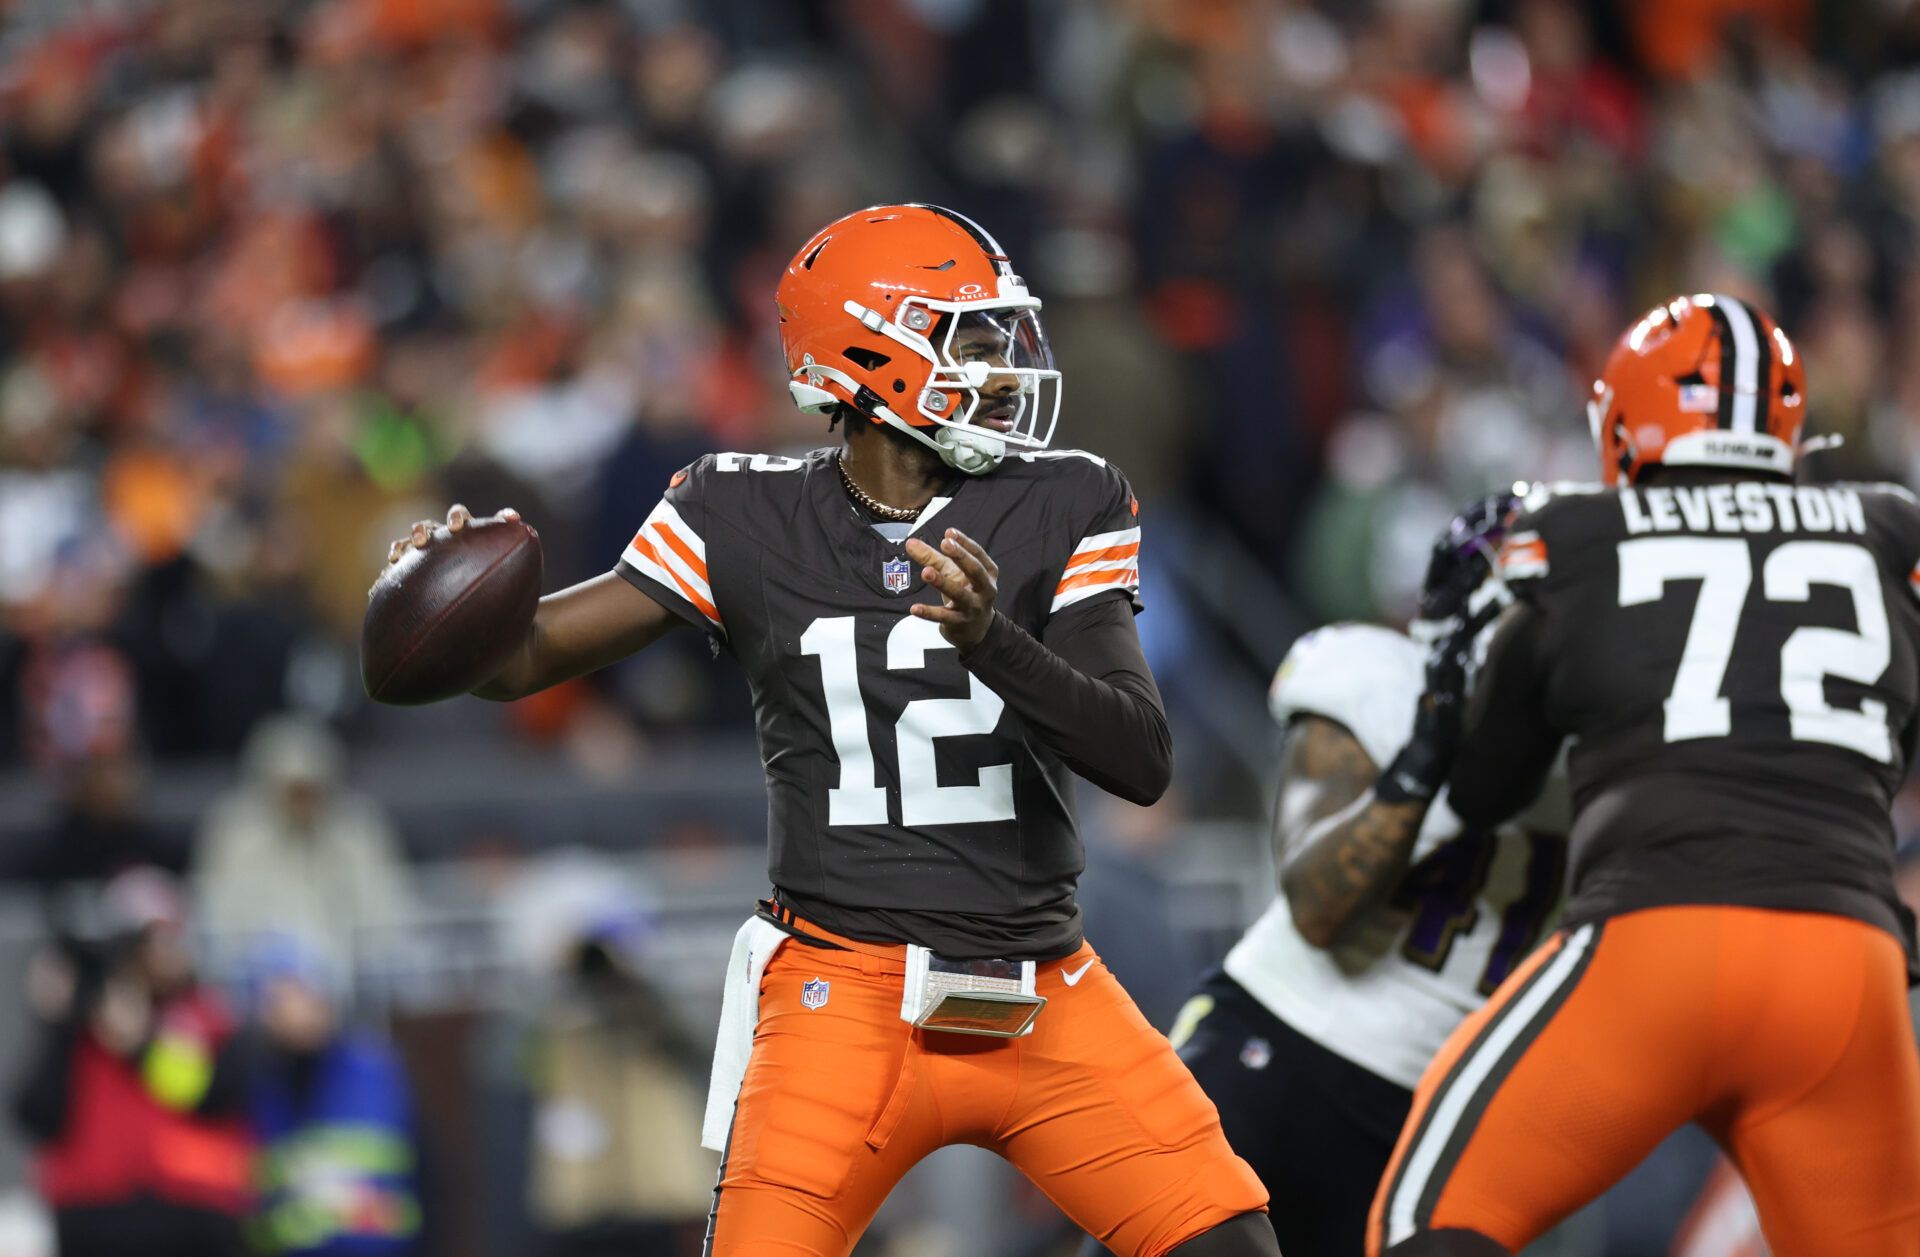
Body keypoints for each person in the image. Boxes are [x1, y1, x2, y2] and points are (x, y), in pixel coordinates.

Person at [383, 204, 1274, 1256]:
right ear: (869, 349)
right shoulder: (738, 510)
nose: (1001, 367)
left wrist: (996, 641)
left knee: (1230, 1245)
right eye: (968, 335)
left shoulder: (1066, 498)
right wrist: (441, 603)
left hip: (1042, 987)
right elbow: (523, 660)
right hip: (843, 993)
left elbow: (1139, 758)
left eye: (999, 337)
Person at [1368, 294, 1920, 1256]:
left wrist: (1458, 672)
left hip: (1656, 944)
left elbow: (1487, 787)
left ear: (1623, 424)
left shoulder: (1572, 536)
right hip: (1846, 964)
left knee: (1432, 1220)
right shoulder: (1887, 531)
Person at [1105, 498, 1567, 1257]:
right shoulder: (1375, 679)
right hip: (1283, 1042)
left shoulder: (1613, 742)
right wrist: (1427, 753)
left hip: (1440, 1112)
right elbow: (1317, 901)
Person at [11, 868, 253, 1257]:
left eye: (169, 936)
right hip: (93, 1213)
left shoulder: (211, 1018)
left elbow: (214, 1095)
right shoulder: (81, 1030)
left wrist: (141, 1047)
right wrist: (57, 1023)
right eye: (144, 941)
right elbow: (36, 1114)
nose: (160, 952)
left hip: (194, 1211)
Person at [239, 934, 423, 1257]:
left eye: (307, 992)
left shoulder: (376, 1068)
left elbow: (426, 1167)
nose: (300, 1009)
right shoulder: (253, 1084)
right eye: (281, 997)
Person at [194, 713, 413, 983]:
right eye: (292, 790)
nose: (302, 801)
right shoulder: (233, 833)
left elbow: (387, 915)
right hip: (262, 989)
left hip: (355, 981)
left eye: (311, 789)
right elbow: (219, 923)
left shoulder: (358, 831)